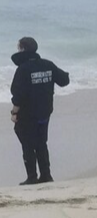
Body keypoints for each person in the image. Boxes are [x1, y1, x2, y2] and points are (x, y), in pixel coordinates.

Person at [10, 37, 69, 185]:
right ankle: (46, 175)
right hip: (45, 111)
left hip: (27, 113)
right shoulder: (47, 64)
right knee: (41, 143)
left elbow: (18, 94)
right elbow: (64, 80)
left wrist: (14, 112)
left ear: (23, 49)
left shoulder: (22, 69)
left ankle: (32, 177)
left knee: (27, 143)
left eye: (19, 47)